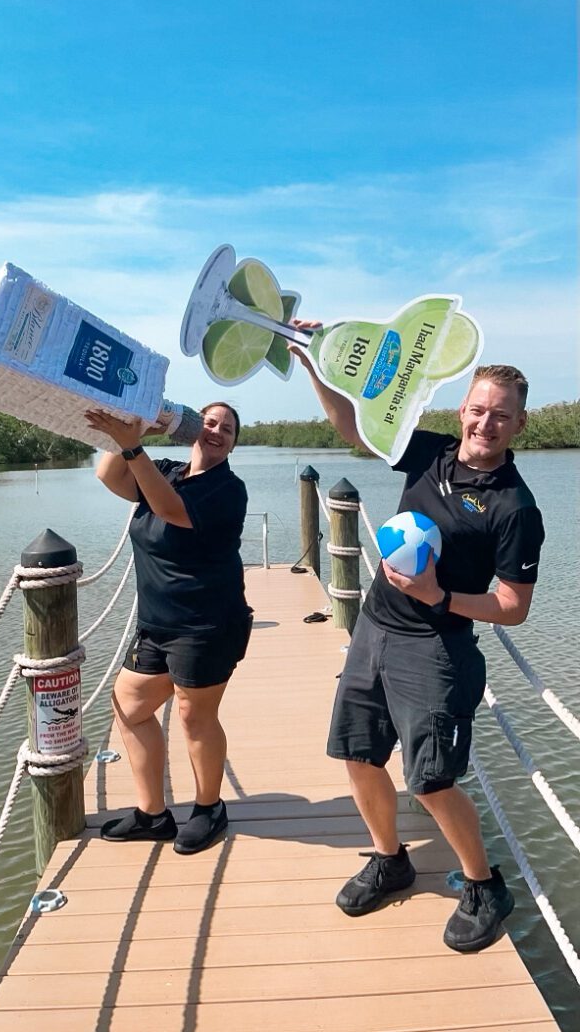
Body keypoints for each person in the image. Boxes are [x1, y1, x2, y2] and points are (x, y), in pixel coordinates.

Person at [290, 331, 544, 953]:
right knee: (357, 753)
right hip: (375, 627)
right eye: (478, 409)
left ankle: (486, 887)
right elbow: (353, 428)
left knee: (430, 781)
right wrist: (314, 366)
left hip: (436, 646)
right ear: (462, 410)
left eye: (501, 414)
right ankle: (389, 858)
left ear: (519, 423)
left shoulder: (515, 507)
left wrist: (440, 596)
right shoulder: (429, 452)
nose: (486, 422)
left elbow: (513, 607)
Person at [84, 402, 253, 853]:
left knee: (193, 715)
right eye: (210, 422)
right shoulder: (164, 469)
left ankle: (209, 808)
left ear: (234, 442)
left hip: (207, 624)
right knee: (129, 706)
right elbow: (109, 476)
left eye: (228, 429)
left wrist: (133, 444)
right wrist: (134, 428)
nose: (217, 431)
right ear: (194, 427)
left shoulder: (228, 490)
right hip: (156, 624)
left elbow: (172, 510)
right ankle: (152, 814)